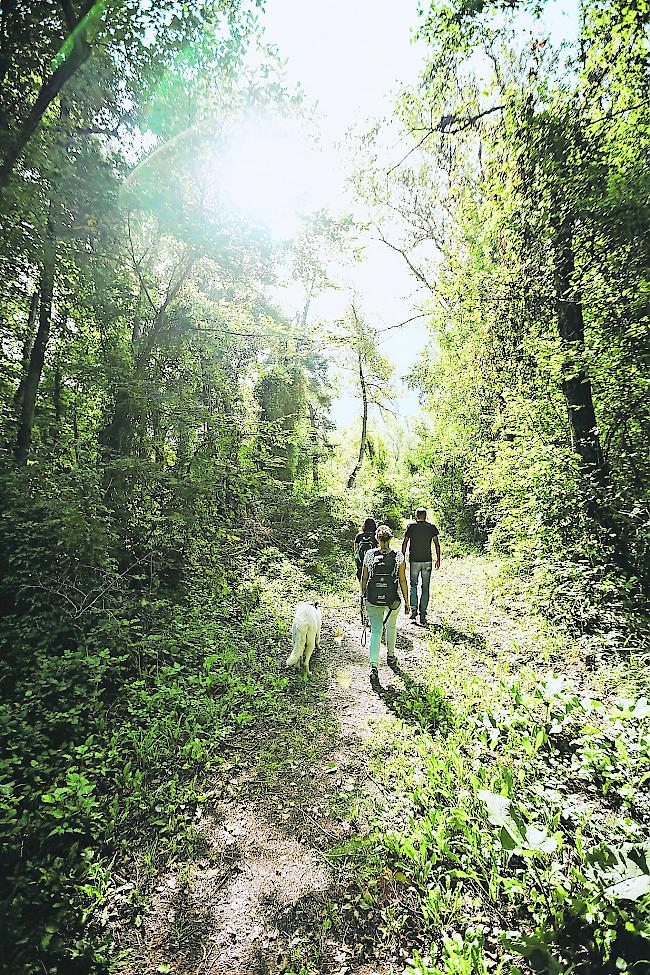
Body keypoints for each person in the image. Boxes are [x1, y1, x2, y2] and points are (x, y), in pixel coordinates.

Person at [361, 524, 409, 687]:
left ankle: (374, 666)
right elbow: (402, 579)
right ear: (390, 539)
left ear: (377, 539)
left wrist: (363, 595)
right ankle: (390, 656)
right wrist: (407, 602)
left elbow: (364, 577)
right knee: (391, 627)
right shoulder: (398, 556)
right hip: (392, 599)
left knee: (375, 631)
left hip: (373, 598)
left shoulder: (369, 554)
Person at [401, 507, 441, 626]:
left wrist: (402, 558)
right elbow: (437, 544)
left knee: (413, 585)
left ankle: (414, 611)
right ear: (425, 516)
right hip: (427, 561)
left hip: (414, 560)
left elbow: (405, 543)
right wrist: (438, 558)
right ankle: (423, 614)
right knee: (425, 587)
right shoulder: (431, 528)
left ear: (416, 516)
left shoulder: (411, 527)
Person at [354, 517, 377, 581]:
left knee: (361, 575)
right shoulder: (375, 536)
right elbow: (379, 549)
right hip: (372, 561)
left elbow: (355, 550)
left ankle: (362, 588)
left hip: (361, 560)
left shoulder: (359, 536)